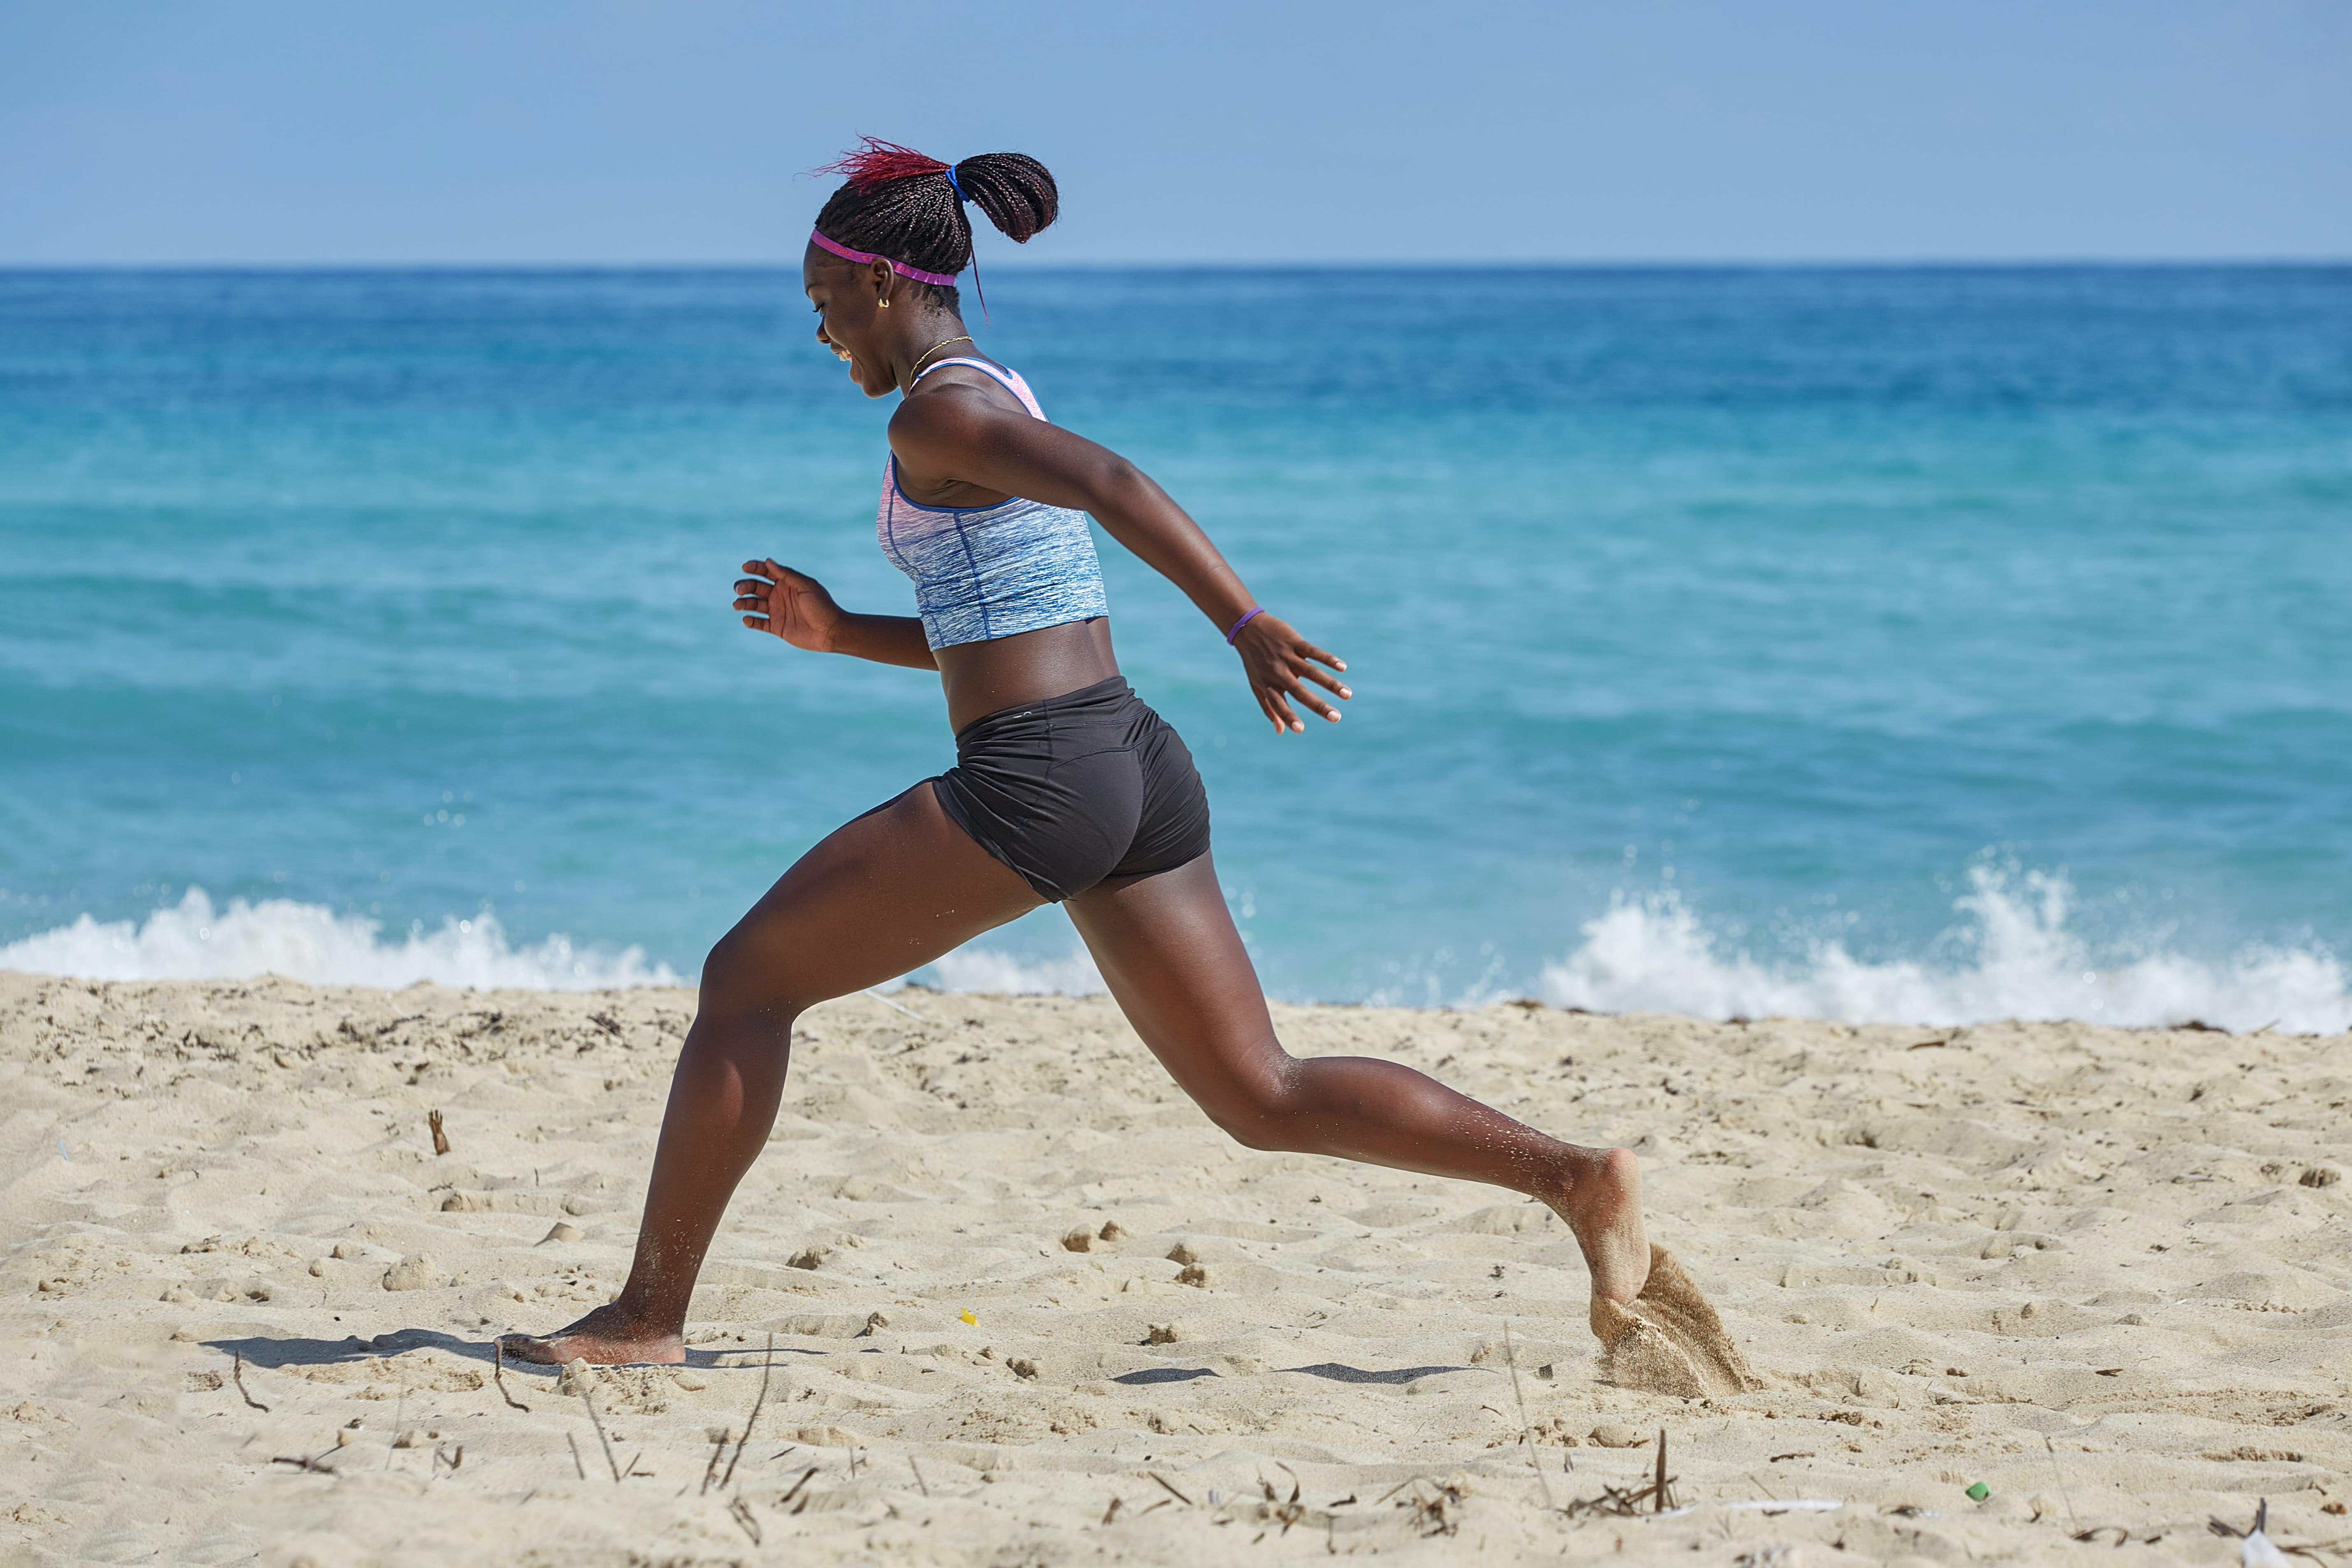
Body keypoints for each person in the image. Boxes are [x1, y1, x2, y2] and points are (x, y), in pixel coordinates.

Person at [503, 140, 1647, 1367]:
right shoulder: (995, 390)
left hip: (1041, 775)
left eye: (824, 304)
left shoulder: (941, 407)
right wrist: (837, 632)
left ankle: (647, 1316)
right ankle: (1575, 1178)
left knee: (744, 982)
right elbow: (1002, 627)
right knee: (1260, 1090)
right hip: (1128, 757)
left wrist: (1247, 624)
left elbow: (1109, 480)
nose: (821, 331)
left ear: (883, 284)